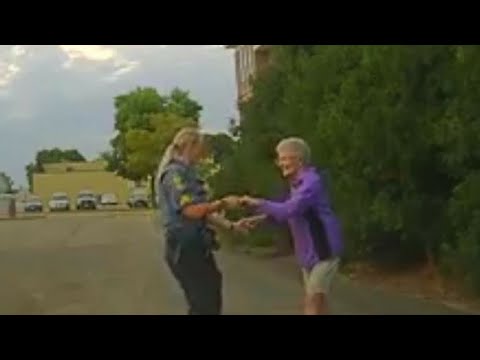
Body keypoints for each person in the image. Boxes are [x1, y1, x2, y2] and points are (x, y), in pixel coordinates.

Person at [238, 137, 344, 315]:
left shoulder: (311, 182)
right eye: (280, 159)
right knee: (319, 302)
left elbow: (289, 209)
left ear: (299, 159)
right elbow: (289, 212)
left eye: (285, 158)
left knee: (313, 302)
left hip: (324, 251)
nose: (280, 163)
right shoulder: (296, 184)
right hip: (308, 254)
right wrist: (259, 219)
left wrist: (256, 202)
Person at [156, 127, 246, 315]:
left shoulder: (188, 173)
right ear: (190, 146)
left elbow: (203, 211)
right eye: (201, 148)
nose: (203, 154)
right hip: (183, 245)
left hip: (195, 243)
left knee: (209, 294)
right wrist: (223, 203)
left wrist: (231, 226)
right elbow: (191, 211)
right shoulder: (175, 175)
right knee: (203, 301)